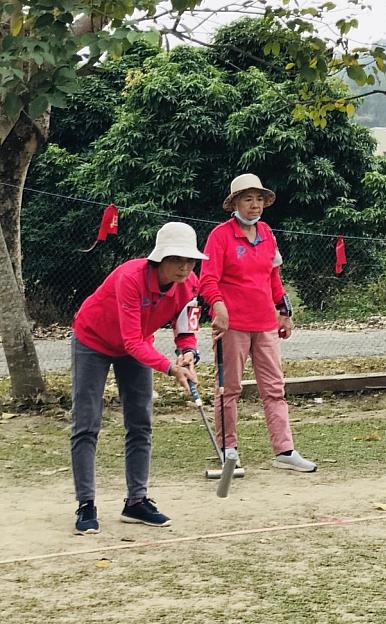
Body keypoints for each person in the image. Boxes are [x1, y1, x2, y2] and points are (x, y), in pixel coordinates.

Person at [71, 222, 207, 534]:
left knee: (140, 422)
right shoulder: (130, 278)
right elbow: (130, 341)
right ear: (160, 259)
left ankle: (136, 501)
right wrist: (171, 369)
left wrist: (188, 352)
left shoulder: (190, 283)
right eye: (177, 259)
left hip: (137, 345)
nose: (185, 267)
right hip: (93, 340)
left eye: (189, 260)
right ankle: (86, 504)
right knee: (87, 423)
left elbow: (186, 327)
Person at [199, 173, 316, 473]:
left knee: (274, 388)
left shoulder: (266, 233)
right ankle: (228, 450)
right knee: (229, 389)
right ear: (234, 203)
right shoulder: (220, 236)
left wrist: (285, 311)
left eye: (259, 199)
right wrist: (219, 306)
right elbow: (207, 280)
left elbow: (273, 277)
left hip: (265, 324)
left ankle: (285, 450)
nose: (255, 205)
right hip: (232, 326)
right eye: (248, 199)